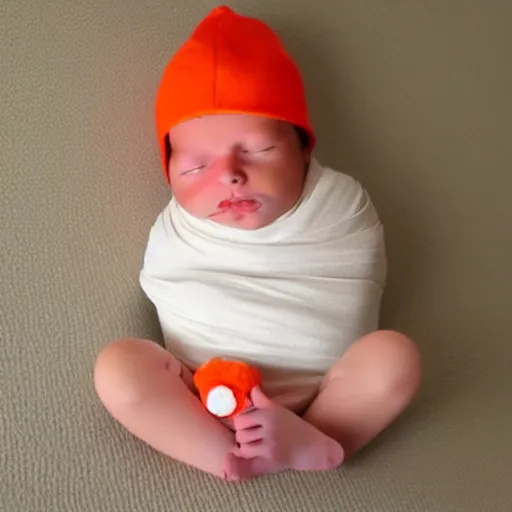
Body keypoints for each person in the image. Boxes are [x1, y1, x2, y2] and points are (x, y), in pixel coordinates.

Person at [94, 5, 422, 481]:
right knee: (119, 366)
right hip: (201, 383)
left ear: (305, 148)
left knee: (394, 357)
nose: (229, 174)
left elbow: (362, 284)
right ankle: (224, 456)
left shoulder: (340, 204)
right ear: (168, 174)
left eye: (259, 150)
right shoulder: (176, 230)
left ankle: (319, 438)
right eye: (194, 167)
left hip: (326, 387)